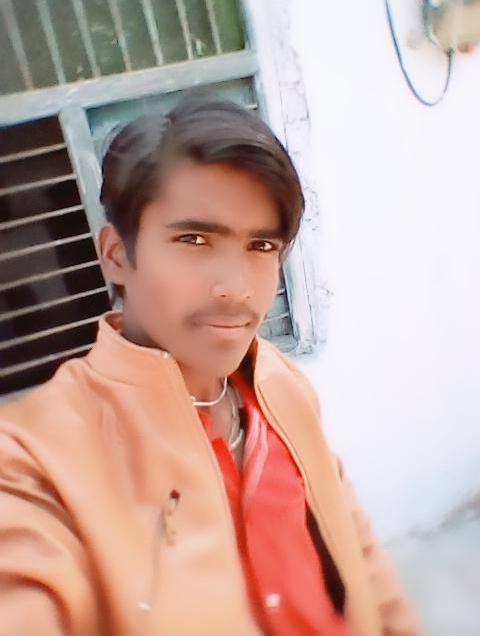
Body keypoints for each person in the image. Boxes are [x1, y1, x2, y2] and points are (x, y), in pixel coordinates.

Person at [0, 97, 421, 636]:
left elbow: (357, 551)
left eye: (261, 245)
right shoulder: (34, 462)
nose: (237, 287)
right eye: (194, 239)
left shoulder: (280, 384)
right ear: (116, 255)